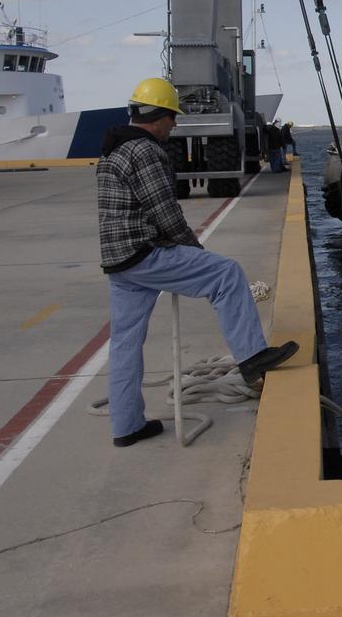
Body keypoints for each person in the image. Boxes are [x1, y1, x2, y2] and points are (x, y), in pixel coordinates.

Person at [97, 77, 298, 447]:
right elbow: (165, 213)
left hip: (118, 261)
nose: (174, 125)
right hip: (144, 252)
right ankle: (252, 358)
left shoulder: (113, 149)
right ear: (156, 116)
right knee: (225, 274)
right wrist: (195, 252)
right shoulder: (145, 151)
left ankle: (126, 427)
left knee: (125, 344)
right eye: (172, 117)